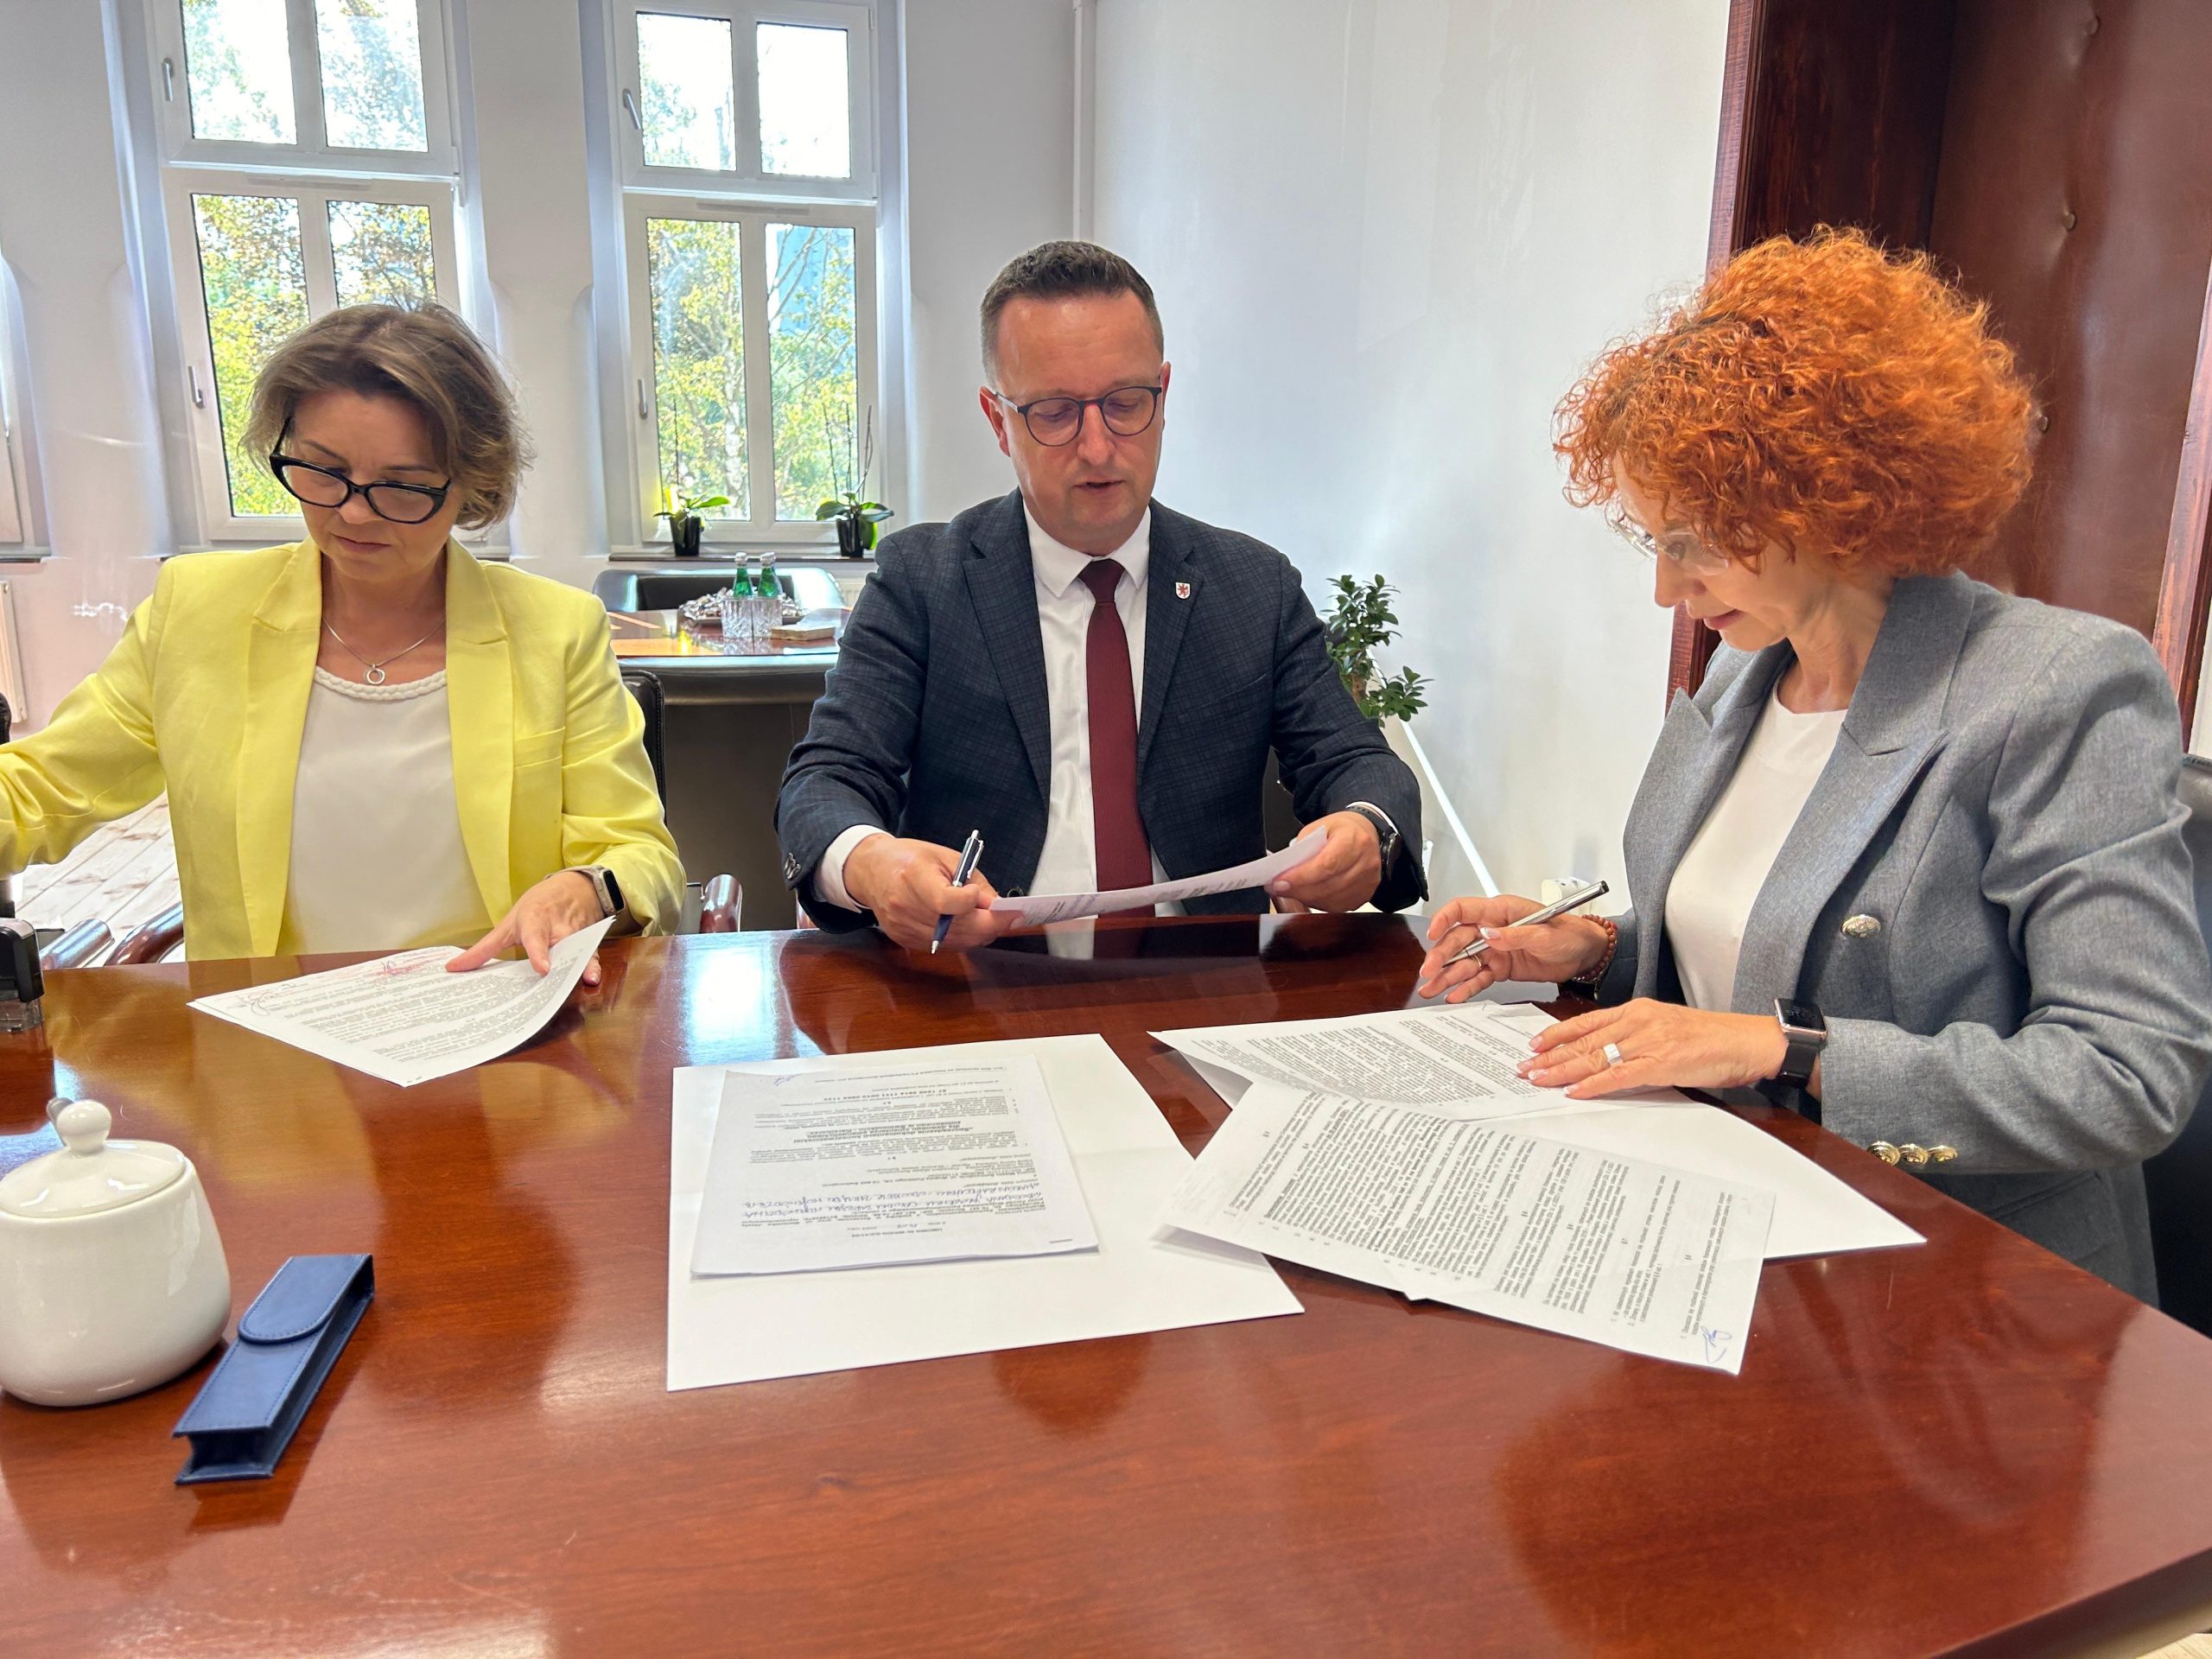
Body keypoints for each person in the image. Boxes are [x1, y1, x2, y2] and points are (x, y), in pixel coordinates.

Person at [1416, 229, 2210, 1300]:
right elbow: (1778, 943)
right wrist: (1596, 948)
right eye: (1652, 542)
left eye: (1693, 543)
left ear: (1825, 501)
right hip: (1728, 1230)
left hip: (1962, 1295)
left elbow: (2127, 1074)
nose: (1666, 592)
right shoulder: (1743, 678)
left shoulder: (2056, 688)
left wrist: (1783, 1050)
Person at [777, 240, 1425, 949]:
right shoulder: (924, 581)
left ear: (1163, 395)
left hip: (1205, 985)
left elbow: (1358, 763)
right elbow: (826, 779)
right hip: (979, 978)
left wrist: (1367, 829)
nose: (1097, 446)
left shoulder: (1252, 587)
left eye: (1125, 403)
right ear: (998, 421)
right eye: (1055, 412)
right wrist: (872, 863)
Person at [0, 302, 683, 972]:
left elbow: (638, 853)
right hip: (264, 1025)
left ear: (471, 484)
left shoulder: (554, 631)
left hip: (487, 1014)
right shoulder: (198, 612)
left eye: (403, 486)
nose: (354, 514)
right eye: (324, 472)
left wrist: (586, 889)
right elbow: (42, 790)